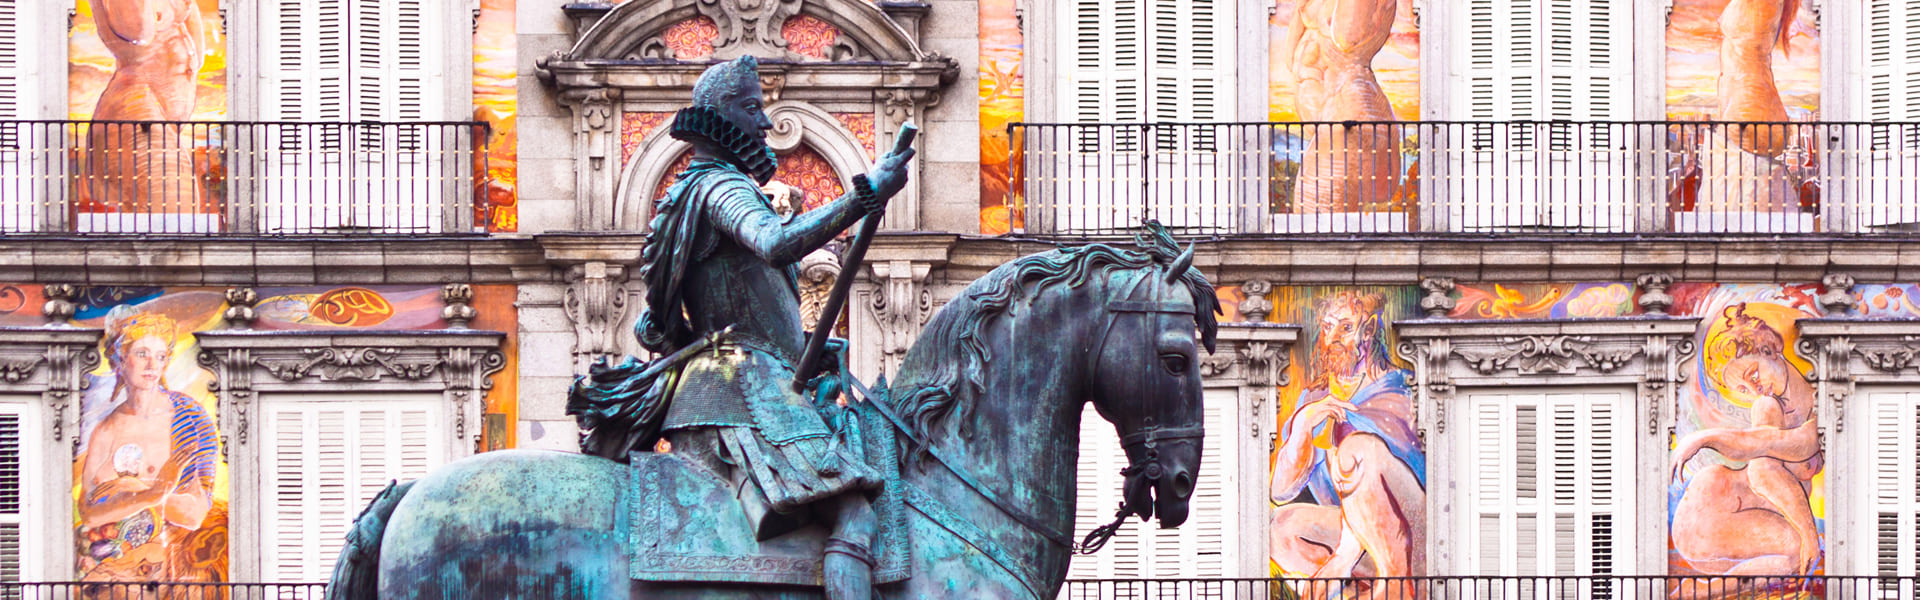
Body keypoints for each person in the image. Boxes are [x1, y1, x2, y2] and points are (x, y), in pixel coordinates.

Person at [570, 55, 914, 600]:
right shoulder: (720, 188)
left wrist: (808, 347)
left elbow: (698, 316)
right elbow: (774, 242)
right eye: (753, 109)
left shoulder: (695, 190)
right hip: (742, 392)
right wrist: (866, 194)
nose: (763, 123)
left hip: (744, 383)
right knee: (855, 516)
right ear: (725, 116)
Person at [1269, 291, 1425, 598]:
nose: (1333, 338)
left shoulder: (1399, 390)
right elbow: (1280, 490)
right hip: (1359, 542)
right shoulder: (1315, 399)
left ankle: (1396, 586)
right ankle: (1355, 590)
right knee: (1279, 527)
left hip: (1411, 537)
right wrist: (1302, 425)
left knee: (1358, 449)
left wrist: (1342, 556)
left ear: (1368, 331)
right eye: (1328, 328)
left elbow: (1391, 488)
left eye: (1345, 327)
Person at [1670, 304, 1822, 586]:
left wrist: (1705, 438)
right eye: (1743, 389)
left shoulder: (1821, 405)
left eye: (1752, 376)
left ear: (1770, 348)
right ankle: (1702, 592)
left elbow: (1796, 443)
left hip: (1738, 516)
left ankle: (1703, 590)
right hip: (1711, 510)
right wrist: (1809, 533)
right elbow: (1762, 473)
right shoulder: (1767, 406)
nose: (1756, 391)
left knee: (1796, 552)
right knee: (1795, 549)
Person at [75, 309, 218, 586]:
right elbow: (89, 514)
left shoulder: (187, 417)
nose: (152, 365)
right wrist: (153, 493)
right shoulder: (105, 430)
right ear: (119, 359)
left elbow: (195, 514)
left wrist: (137, 489)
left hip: (163, 578)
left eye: (161, 356)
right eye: (142, 353)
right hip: (107, 576)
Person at [80, 0, 208, 213]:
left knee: (179, 222)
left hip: (155, 120)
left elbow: (198, 57)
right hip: (135, 118)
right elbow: (140, 31)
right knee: (177, 213)